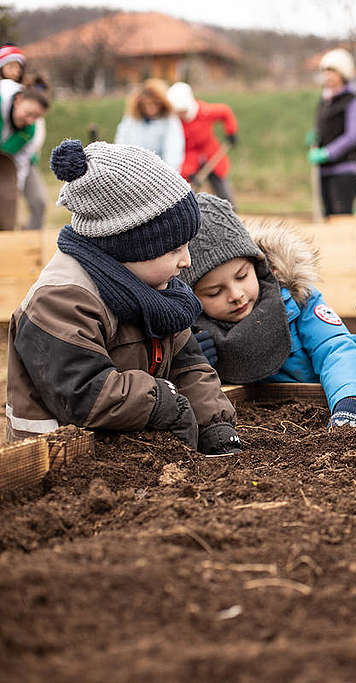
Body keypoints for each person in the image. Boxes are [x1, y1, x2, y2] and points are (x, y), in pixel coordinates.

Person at [5, 139, 241, 456]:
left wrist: (215, 424)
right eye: (173, 249)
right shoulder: (61, 301)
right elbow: (85, 393)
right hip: (60, 463)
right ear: (129, 248)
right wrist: (164, 401)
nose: (186, 261)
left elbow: (188, 366)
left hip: (129, 449)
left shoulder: (155, 290)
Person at [181, 193, 356, 429]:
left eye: (242, 276)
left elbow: (335, 349)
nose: (236, 294)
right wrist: (193, 362)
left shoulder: (297, 300)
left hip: (327, 406)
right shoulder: (195, 333)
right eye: (214, 292)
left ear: (259, 265)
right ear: (192, 297)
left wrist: (350, 401)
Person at [308, 48, 356, 217]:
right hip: (325, 171)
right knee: (327, 218)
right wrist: (316, 137)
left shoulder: (353, 102)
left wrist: (328, 152)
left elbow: (352, 135)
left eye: (331, 71)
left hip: (345, 170)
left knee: (341, 220)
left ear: (342, 73)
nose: (327, 76)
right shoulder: (325, 100)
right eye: (325, 71)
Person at [166, 82, 237, 206]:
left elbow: (225, 112)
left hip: (211, 153)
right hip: (189, 154)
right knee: (187, 186)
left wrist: (231, 132)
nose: (181, 115)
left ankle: (230, 210)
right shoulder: (173, 121)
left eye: (183, 111)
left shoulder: (204, 111)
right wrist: (187, 173)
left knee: (220, 184)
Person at [0, 77, 48, 229]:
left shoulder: (31, 131)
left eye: (36, 117)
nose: (30, 120)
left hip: (9, 162)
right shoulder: (2, 95)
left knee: (38, 201)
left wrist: (15, 191)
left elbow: (21, 164)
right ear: (18, 100)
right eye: (28, 114)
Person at [115, 78, 185, 173]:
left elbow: (173, 151)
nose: (150, 108)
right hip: (133, 171)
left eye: (155, 104)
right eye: (146, 104)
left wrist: (167, 174)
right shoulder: (130, 120)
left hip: (160, 173)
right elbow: (121, 144)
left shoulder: (170, 121)